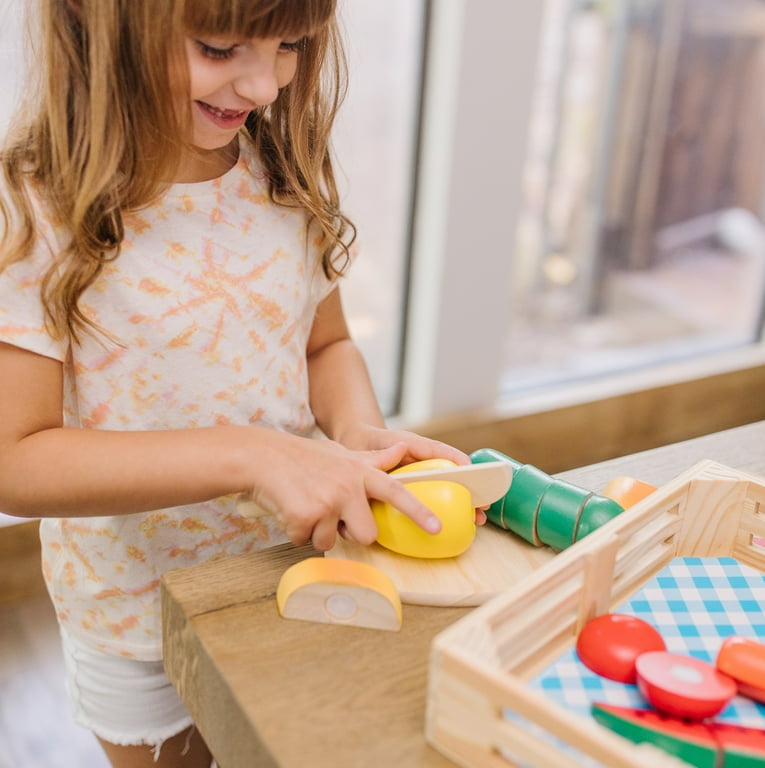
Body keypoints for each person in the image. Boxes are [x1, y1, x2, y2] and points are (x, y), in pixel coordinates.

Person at [0, 1, 482, 766]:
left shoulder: (282, 168)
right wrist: (253, 455)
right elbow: (16, 464)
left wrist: (358, 433)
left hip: (292, 571)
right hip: (137, 617)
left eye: (288, 44)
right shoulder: (33, 208)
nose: (263, 85)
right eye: (220, 47)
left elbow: (326, 346)